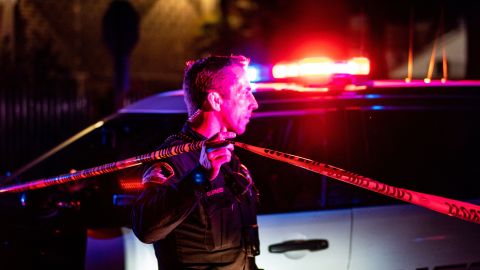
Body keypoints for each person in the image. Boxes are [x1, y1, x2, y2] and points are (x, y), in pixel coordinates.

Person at [131, 55, 260, 270]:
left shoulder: (231, 159)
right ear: (215, 100)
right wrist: (200, 177)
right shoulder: (171, 158)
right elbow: (145, 229)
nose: (254, 103)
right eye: (244, 92)